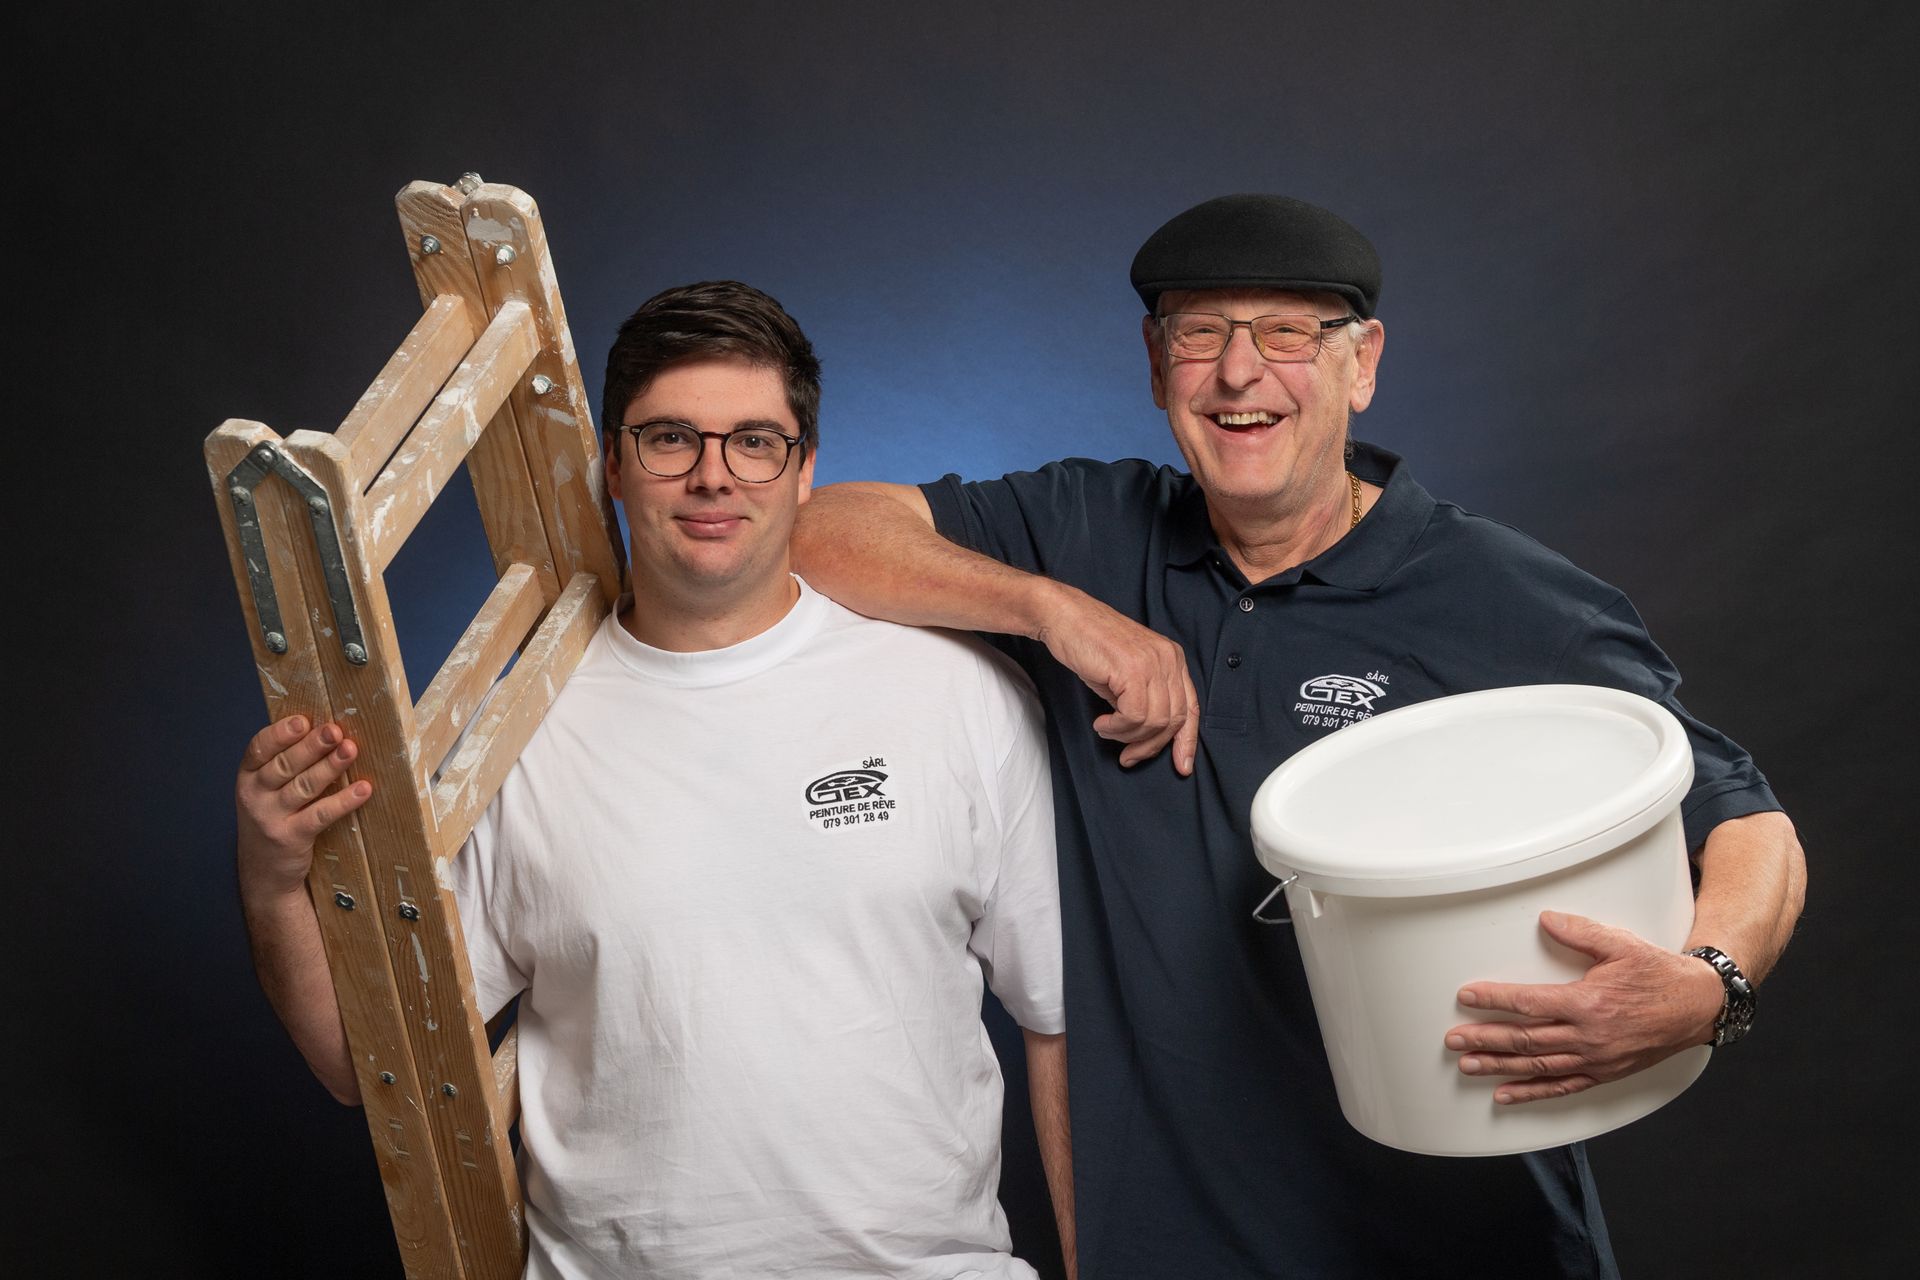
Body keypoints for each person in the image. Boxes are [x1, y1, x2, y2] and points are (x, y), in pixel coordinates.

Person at [790, 195, 1807, 1278]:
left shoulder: (1499, 594)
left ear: (1360, 364)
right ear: (1157, 364)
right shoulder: (1085, 531)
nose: (1240, 374)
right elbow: (818, 529)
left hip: (1458, 1245)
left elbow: (1746, 822)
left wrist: (1711, 985)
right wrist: (1053, 609)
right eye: (1201, 334)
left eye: (1287, 334)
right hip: (1169, 1247)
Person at [234, 281, 1073, 1280]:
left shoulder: (961, 696)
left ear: (806, 467)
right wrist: (273, 877)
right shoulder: (516, 736)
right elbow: (364, 1063)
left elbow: (1064, 1023)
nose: (714, 476)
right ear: (614, 465)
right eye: (671, 439)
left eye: (755, 442)